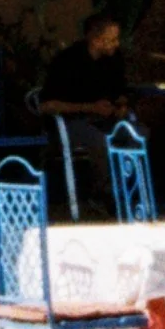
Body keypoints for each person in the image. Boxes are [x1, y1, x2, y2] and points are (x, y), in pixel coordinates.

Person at [37, 11, 131, 214]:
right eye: (111, 39)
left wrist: (121, 105)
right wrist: (90, 108)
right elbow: (47, 105)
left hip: (103, 120)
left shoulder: (113, 60)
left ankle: (132, 191)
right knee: (99, 141)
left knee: (137, 134)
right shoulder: (67, 61)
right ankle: (103, 194)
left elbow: (121, 91)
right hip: (69, 122)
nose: (116, 44)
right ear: (96, 39)